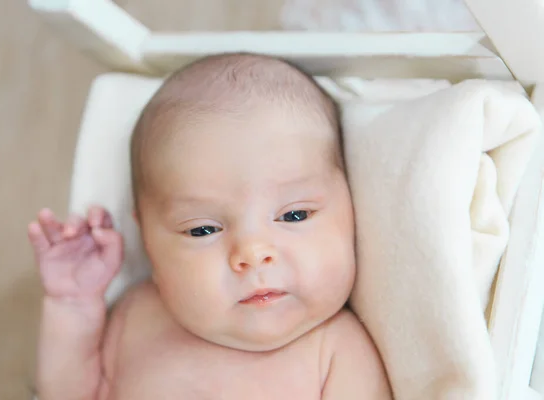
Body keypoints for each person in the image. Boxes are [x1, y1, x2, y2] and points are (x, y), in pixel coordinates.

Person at [27, 52, 392, 399]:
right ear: (148, 241)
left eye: (294, 215)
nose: (252, 253)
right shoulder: (138, 316)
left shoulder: (335, 351)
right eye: (203, 230)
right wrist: (72, 304)